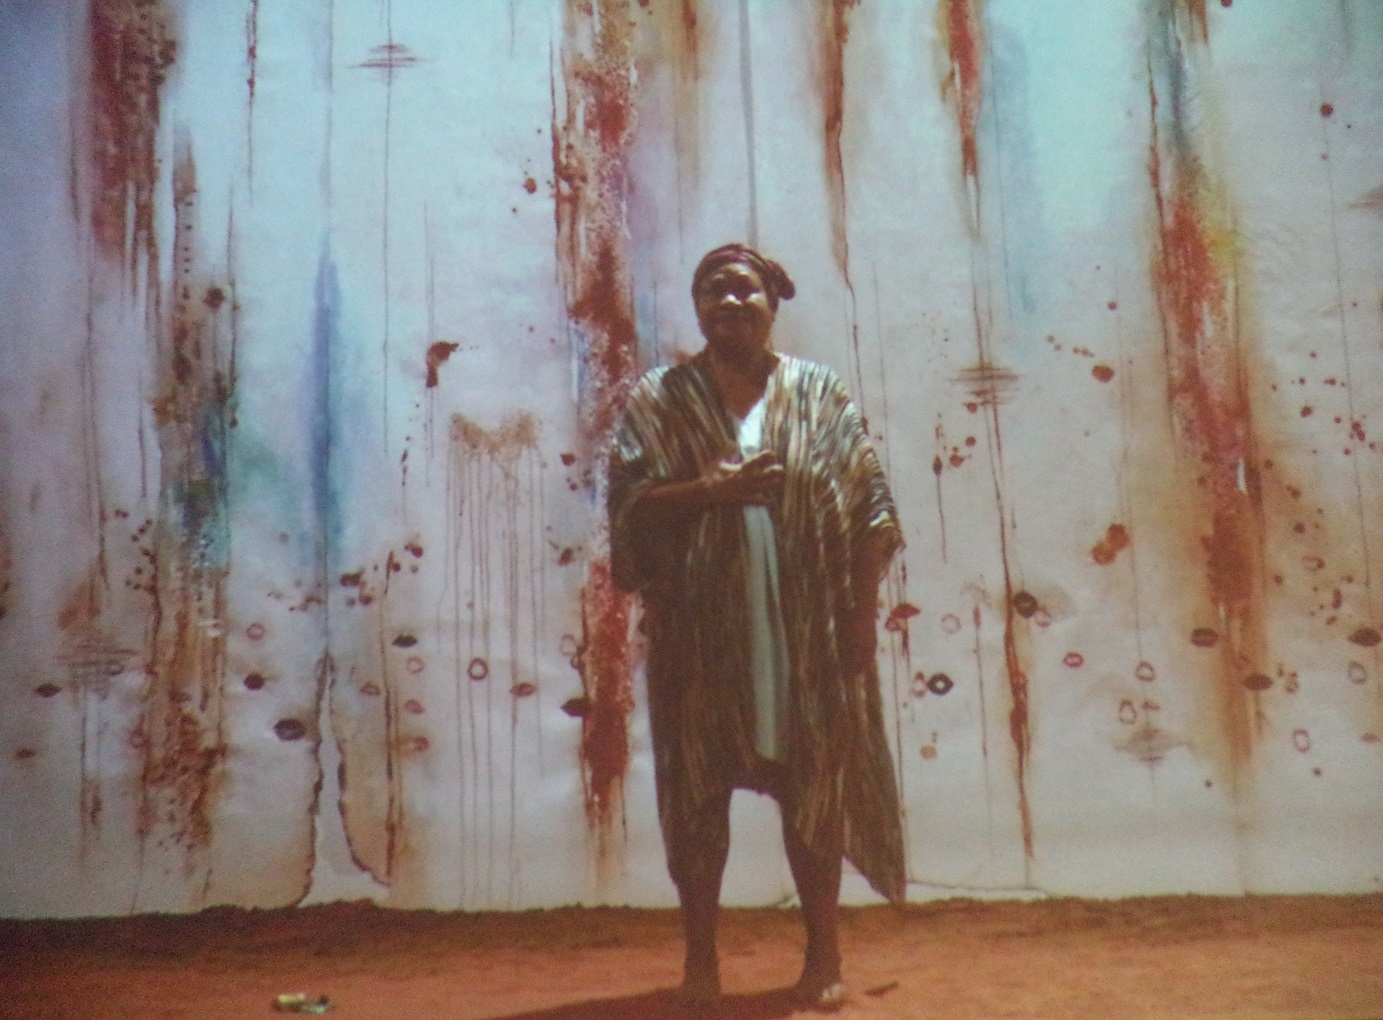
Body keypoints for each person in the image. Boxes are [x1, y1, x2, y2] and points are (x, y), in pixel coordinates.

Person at [608, 243, 907, 1008]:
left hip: (803, 639)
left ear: (773, 303)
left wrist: (859, 617)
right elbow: (629, 505)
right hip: (701, 641)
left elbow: (870, 507)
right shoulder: (661, 397)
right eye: (713, 290)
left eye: (744, 290)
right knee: (697, 797)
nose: (729, 302)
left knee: (814, 789)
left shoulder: (817, 392)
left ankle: (823, 958)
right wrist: (703, 492)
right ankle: (700, 964)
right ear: (696, 307)